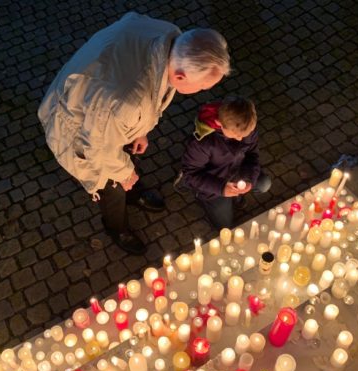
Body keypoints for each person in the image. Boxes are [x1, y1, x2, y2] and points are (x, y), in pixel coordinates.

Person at [38, 12, 230, 254]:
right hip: (79, 125)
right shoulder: (126, 101)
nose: (202, 91)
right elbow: (97, 148)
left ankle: (133, 192)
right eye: (202, 86)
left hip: (104, 109)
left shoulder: (171, 37)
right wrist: (125, 173)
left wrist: (140, 131)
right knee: (112, 185)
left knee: (126, 162)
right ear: (180, 76)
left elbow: (148, 97)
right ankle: (116, 225)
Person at [175, 96, 271, 229]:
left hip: (237, 172)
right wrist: (221, 189)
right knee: (225, 226)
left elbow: (252, 155)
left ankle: (233, 197)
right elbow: (191, 174)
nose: (240, 138)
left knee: (264, 184)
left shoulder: (245, 126)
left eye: (244, 135)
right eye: (236, 135)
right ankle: (203, 199)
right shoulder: (202, 143)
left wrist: (249, 178)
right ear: (219, 123)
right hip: (214, 183)